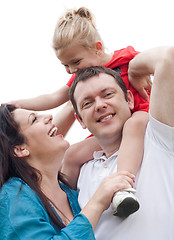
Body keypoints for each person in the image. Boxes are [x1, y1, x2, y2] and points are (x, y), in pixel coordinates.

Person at [9, 7, 151, 216]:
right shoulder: (79, 79)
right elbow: (53, 98)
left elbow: (155, 65)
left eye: (75, 62)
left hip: (138, 117)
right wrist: (15, 104)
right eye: (65, 65)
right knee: (73, 154)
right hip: (106, 132)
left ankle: (124, 186)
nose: (71, 70)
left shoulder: (125, 59)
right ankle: (67, 209)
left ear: (98, 48)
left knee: (133, 125)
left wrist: (141, 71)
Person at [67, 46, 174, 240]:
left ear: (130, 100)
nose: (100, 105)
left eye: (108, 94)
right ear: (80, 120)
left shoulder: (158, 138)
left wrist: (133, 70)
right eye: (87, 103)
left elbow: (169, 58)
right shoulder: (81, 171)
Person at [0, 104, 134, 240]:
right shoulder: (12, 195)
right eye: (34, 119)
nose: (49, 116)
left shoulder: (73, 193)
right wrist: (97, 202)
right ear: (20, 149)